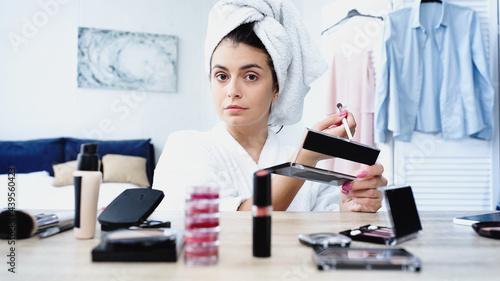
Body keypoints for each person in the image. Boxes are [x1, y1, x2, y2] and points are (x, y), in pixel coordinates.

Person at [153, 0, 387, 212]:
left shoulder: (298, 159)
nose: (232, 90)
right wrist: (302, 163)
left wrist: (351, 206)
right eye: (222, 76)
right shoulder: (184, 148)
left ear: (276, 88)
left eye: (251, 76)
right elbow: (224, 225)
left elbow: (330, 232)